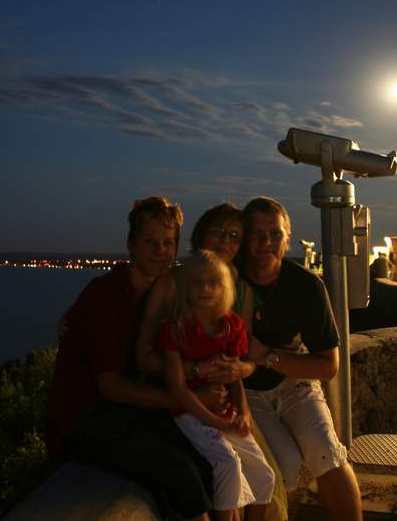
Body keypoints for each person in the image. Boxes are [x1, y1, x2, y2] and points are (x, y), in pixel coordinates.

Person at [45, 196, 214, 521]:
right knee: (178, 472)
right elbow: (111, 387)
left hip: (129, 411)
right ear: (130, 245)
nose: (159, 251)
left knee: (205, 459)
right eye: (149, 241)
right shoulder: (106, 295)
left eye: (168, 243)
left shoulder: (165, 292)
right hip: (84, 420)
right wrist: (189, 400)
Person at [136, 202, 288, 521]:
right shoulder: (175, 284)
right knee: (229, 468)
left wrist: (239, 372)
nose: (224, 241)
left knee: (265, 476)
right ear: (200, 234)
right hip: (182, 404)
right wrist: (199, 373)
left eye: (234, 236)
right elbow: (146, 358)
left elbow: (243, 361)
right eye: (218, 231)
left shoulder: (239, 291)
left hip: (225, 400)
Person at [239, 197, 363, 521]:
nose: (266, 242)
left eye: (275, 234)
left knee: (326, 453)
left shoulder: (306, 287)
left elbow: (329, 365)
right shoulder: (230, 280)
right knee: (282, 465)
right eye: (257, 234)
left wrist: (267, 357)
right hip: (246, 391)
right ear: (245, 238)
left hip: (294, 383)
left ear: (288, 239)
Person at [160, 250, 275, 521]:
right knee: (227, 463)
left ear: (225, 288)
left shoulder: (231, 326)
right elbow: (177, 388)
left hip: (225, 410)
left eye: (213, 283)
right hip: (190, 413)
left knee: (265, 475)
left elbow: (233, 377)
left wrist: (243, 412)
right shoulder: (177, 328)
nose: (205, 289)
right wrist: (217, 422)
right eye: (197, 283)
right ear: (186, 287)